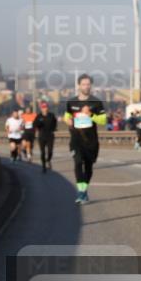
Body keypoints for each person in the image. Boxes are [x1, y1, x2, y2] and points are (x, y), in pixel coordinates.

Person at [63, 74, 107, 204]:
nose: (86, 86)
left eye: (88, 84)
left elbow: (103, 120)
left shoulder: (96, 102)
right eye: (83, 84)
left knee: (88, 167)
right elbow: (66, 116)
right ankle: (81, 192)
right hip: (76, 139)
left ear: (91, 86)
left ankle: (84, 191)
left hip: (91, 141)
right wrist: (68, 121)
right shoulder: (71, 102)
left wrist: (91, 114)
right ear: (79, 85)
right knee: (77, 163)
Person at [35, 101, 58, 173]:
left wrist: (54, 129)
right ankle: (44, 166)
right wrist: (39, 124)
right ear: (41, 109)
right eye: (43, 107)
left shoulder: (51, 115)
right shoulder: (39, 116)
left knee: (50, 151)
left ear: (47, 108)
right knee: (42, 152)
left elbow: (55, 123)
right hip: (42, 135)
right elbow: (35, 124)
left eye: (46, 107)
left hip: (50, 135)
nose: (45, 109)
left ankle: (48, 160)